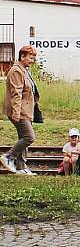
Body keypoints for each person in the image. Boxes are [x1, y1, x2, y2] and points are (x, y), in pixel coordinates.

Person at [1, 45, 38, 175]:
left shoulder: (24, 69)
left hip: (26, 110)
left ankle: (21, 167)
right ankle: (8, 157)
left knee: (23, 137)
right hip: (19, 110)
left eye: (34, 58)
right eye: (31, 57)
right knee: (29, 137)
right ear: (22, 56)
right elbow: (16, 93)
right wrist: (16, 113)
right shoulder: (16, 70)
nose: (33, 60)